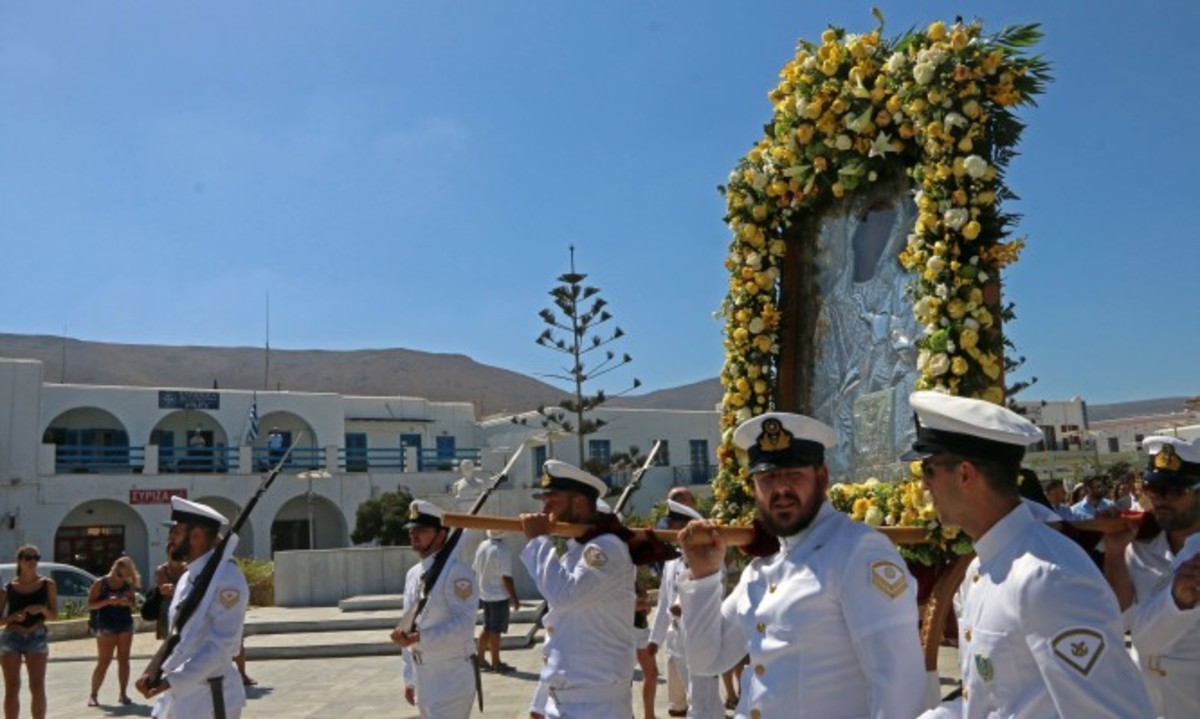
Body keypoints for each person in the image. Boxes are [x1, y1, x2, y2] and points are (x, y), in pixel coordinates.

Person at [904, 391, 1153, 718]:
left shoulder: (1046, 576)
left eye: (928, 469)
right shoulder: (981, 569)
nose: (923, 485)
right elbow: (990, 699)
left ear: (965, 474)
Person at [677, 412, 927, 718]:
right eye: (767, 478)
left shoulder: (858, 552)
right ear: (755, 487)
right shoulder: (760, 570)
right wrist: (704, 577)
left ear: (822, 477)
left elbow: (898, 686)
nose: (781, 489)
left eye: (794, 474)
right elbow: (707, 660)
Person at [519, 460, 637, 719]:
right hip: (565, 702)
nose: (545, 508)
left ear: (580, 503)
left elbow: (564, 595)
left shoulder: (607, 547)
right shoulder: (575, 554)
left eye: (553, 499)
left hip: (597, 707)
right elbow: (560, 636)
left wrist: (539, 540)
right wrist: (540, 703)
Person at [1102, 436, 1200, 717]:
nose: (1159, 498)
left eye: (1174, 490)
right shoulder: (1140, 546)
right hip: (1145, 702)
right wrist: (1114, 553)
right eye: (1152, 488)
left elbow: (1146, 639)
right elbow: (1120, 620)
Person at [135, 496, 250, 719]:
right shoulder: (188, 578)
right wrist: (153, 670)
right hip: (177, 697)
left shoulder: (227, 579)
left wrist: (172, 681)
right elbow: (178, 636)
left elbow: (221, 646)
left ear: (196, 535)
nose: (170, 538)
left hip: (209, 698)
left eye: (176, 532)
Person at [390, 500, 477, 718]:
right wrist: (409, 678)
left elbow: (464, 626)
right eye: (411, 530)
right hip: (424, 680)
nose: (413, 535)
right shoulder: (413, 574)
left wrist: (421, 638)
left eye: (421, 530)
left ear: (441, 535)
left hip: (452, 681)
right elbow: (409, 626)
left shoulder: (457, 573)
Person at [648, 498, 721, 719]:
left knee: (701, 701)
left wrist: (681, 605)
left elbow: (700, 592)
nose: (668, 528)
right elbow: (664, 601)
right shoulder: (672, 560)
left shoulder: (710, 557)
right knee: (676, 702)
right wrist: (655, 639)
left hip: (696, 638)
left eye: (673, 524)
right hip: (674, 639)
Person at [0, 545, 57, 719]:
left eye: (36, 557)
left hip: (36, 636)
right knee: (11, 685)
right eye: (28, 557)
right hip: (12, 637)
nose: (32, 561)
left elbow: (54, 615)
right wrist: (12, 618)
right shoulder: (8, 588)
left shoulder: (48, 584)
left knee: (37, 685)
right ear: (20, 560)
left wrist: (41, 608)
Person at [87, 556, 140, 707]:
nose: (120, 578)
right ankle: (93, 695)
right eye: (119, 574)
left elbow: (133, 605)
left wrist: (126, 602)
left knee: (124, 660)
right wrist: (108, 601)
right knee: (104, 661)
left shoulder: (127, 584)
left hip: (125, 624)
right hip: (106, 625)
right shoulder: (101, 583)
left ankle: (123, 694)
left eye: (124, 576)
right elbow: (90, 605)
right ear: (114, 568)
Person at [472, 530, 520, 673]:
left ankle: (480, 659)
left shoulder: (482, 546)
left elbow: (475, 569)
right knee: (495, 630)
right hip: (498, 596)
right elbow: (506, 578)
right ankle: (496, 662)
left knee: (487, 627)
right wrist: (515, 598)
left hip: (484, 594)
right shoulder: (503, 550)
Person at [152, 538, 186, 642]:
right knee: (168, 643)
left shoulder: (188, 568)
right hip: (168, 608)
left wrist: (174, 589)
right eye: (173, 552)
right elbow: (164, 590)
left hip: (184, 607)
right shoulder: (162, 569)